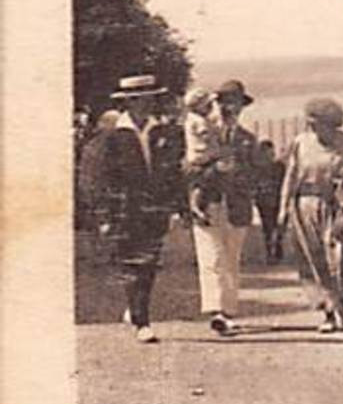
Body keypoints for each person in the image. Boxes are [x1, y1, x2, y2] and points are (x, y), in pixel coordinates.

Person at [80, 74, 183, 342]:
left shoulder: (162, 132)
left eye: (150, 99)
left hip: (155, 209)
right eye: (141, 100)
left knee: (148, 264)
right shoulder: (110, 137)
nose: (147, 105)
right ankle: (142, 321)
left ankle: (136, 309)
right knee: (132, 262)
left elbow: (172, 172)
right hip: (124, 210)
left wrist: (176, 206)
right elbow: (96, 178)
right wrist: (103, 214)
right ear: (128, 103)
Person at [279, 97, 343, 332]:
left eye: (318, 123)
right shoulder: (300, 143)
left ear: (332, 124)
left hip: (339, 206)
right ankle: (328, 312)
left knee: (340, 256)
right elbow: (291, 176)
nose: (313, 128)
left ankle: (342, 302)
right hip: (306, 205)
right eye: (310, 123)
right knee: (315, 259)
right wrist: (283, 209)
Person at [186, 80, 259, 335]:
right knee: (211, 257)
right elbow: (188, 168)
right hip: (208, 201)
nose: (231, 109)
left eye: (236, 103)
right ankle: (216, 311)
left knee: (231, 259)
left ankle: (228, 311)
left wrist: (239, 175)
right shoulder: (200, 133)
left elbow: (256, 173)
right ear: (217, 104)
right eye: (225, 102)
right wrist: (210, 172)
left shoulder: (248, 139)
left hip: (237, 205)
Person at [181, 87, 221, 225]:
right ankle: (196, 208)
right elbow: (206, 135)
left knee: (198, 184)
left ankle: (196, 207)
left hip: (196, 157)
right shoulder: (199, 121)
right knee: (202, 183)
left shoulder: (191, 119)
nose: (211, 108)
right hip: (202, 156)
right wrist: (216, 130)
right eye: (208, 105)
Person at [252, 139, 287, 262]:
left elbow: (284, 182)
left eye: (270, 152)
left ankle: (277, 249)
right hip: (265, 201)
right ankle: (270, 252)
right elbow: (255, 184)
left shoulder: (279, 166)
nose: (269, 155)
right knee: (268, 227)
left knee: (279, 226)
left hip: (278, 199)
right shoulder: (257, 168)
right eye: (265, 152)